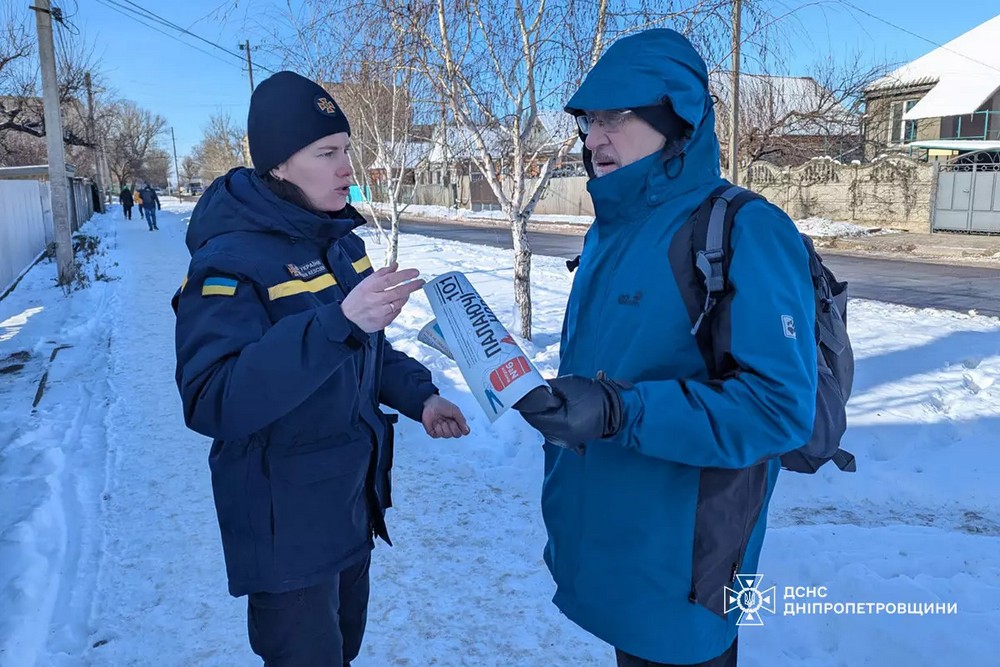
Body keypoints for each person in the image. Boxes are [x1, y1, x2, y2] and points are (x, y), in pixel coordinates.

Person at [514, 29, 817, 667]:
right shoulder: (610, 231)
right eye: (588, 120)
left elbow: (779, 410)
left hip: (687, 567)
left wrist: (619, 410)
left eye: (614, 118)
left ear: (675, 119)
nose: (593, 139)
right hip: (613, 545)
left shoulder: (746, 228)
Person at [172, 70, 470, 667]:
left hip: (349, 505)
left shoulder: (338, 244)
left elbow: (366, 348)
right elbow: (212, 398)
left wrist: (421, 397)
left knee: (345, 649)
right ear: (280, 165)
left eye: (348, 150)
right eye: (327, 153)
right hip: (285, 526)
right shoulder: (227, 262)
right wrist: (337, 323)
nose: (347, 169)